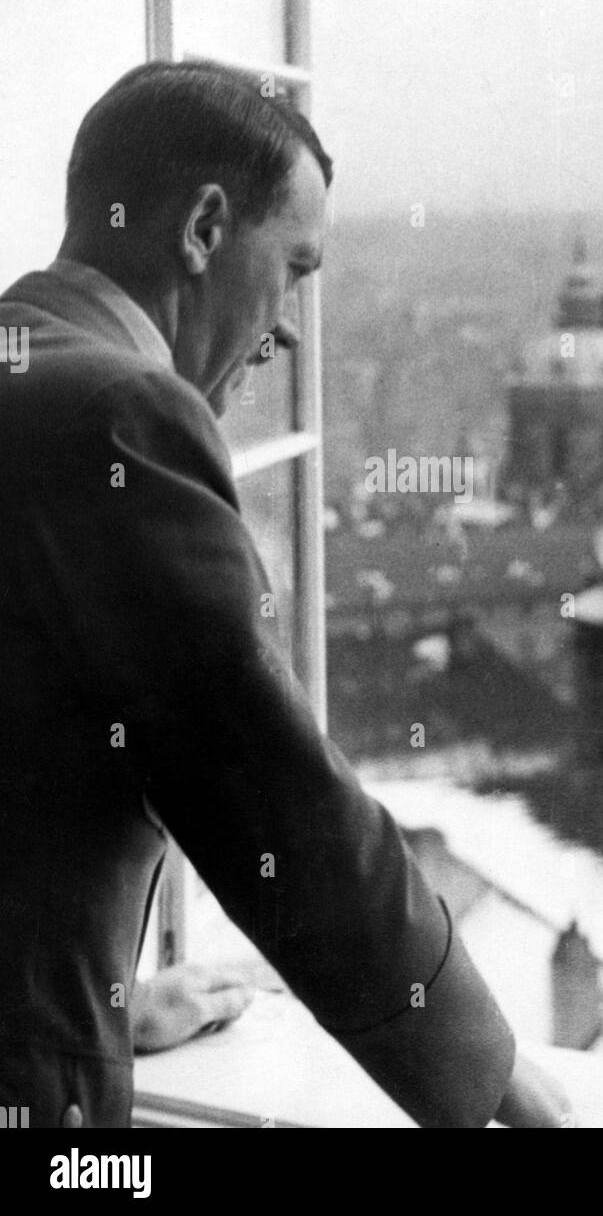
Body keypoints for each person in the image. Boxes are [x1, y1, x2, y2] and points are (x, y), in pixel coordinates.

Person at [0, 60, 573, 1129]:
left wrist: (103, 1005)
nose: (291, 329)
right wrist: (502, 1084)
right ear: (205, 229)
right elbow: (272, 794)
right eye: (294, 267)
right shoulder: (118, 413)